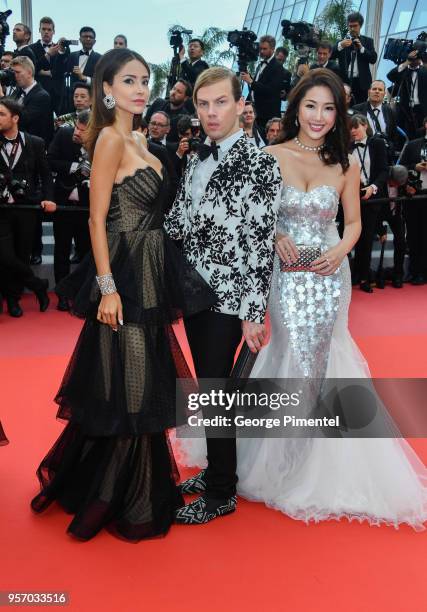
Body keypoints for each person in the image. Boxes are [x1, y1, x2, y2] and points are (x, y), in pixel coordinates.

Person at [180, 68, 427, 531]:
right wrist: (274, 235)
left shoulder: (346, 163)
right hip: (282, 277)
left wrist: (338, 251)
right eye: (311, 106)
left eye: (328, 108)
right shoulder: (268, 155)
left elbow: (353, 222)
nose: (318, 117)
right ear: (296, 108)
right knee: (287, 349)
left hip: (330, 275)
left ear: (339, 114)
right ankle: (271, 454)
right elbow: (253, 215)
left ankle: (313, 458)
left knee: (323, 357)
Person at [30, 48, 216, 542]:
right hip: (125, 273)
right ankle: (110, 493)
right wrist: (107, 288)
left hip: (154, 272)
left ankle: (107, 485)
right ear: (107, 88)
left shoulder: (143, 142)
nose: (139, 88)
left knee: (148, 380)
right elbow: (96, 219)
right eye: (128, 80)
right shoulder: (110, 138)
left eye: (144, 79)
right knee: (131, 386)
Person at [164, 66, 282, 525]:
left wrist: (254, 312)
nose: (211, 113)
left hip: (229, 298)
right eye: (203, 104)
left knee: (216, 390)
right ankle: (218, 470)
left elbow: (259, 241)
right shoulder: (196, 156)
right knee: (209, 386)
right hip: (192, 290)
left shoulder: (260, 163)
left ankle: (221, 493)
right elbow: (179, 219)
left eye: (220, 103)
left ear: (240, 105)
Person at [0, 97, 55, 318]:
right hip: (1, 209)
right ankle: (37, 284)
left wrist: (48, 198)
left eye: (1, 114)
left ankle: (13, 300)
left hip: (27, 209)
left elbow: (46, 175)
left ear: (15, 118)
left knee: (22, 255)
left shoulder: (35, 142)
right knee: (4, 255)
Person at [48, 109, 92, 310]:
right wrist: (74, 167)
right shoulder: (64, 135)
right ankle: (62, 294)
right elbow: (50, 160)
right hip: (63, 204)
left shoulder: (101, 145)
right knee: (62, 250)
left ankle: (82, 293)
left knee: (85, 250)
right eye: (77, 127)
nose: (77, 132)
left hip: (87, 207)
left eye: (82, 131)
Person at [350, 114, 389, 292]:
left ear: (364, 126)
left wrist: (372, 188)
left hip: (372, 197)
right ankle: (353, 274)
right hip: (350, 199)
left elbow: (383, 171)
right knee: (351, 238)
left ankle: (365, 277)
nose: (352, 132)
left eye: (355, 127)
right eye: (350, 129)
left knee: (366, 238)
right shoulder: (347, 147)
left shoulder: (377, 144)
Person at [400, 116, 427, 285]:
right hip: (415, 196)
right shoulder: (412, 145)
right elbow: (401, 168)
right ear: (425, 125)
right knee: (414, 235)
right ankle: (414, 271)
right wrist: (414, 167)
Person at [331, 11, 377, 104]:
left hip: (362, 83)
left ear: (360, 26)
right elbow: (330, 55)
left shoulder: (368, 41)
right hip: (345, 81)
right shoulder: (342, 41)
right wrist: (341, 45)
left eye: (355, 26)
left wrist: (361, 48)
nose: (352, 28)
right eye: (350, 26)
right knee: (344, 109)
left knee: (360, 110)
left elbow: (373, 59)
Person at [241, 35, 284, 132]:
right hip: (257, 112)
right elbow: (258, 85)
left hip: (268, 115)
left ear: (273, 49)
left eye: (265, 49)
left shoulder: (278, 67)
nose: (261, 51)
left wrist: (251, 81)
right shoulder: (260, 65)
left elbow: (270, 90)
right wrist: (249, 78)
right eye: (260, 48)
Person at [387, 50, 427, 140]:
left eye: (416, 59)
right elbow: (390, 76)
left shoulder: (424, 72)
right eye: (412, 59)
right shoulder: (403, 71)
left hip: (422, 109)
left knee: (421, 135)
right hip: (405, 110)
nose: (414, 61)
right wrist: (406, 62)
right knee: (403, 135)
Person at [145, 79, 194, 143]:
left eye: (179, 92)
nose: (173, 93)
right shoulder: (158, 103)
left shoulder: (185, 119)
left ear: (185, 98)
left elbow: (178, 144)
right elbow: (145, 123)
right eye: (174, 89)